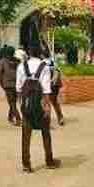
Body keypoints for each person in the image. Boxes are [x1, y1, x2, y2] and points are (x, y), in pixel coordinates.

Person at [16, 44, 60, 173]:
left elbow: (18, 88)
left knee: (26, 135)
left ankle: (26, 164)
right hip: (41, 103)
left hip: (27, 104)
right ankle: (49, 161)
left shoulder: (21, 66)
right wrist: (47, 107)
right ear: (40, 54)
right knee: (46, 133)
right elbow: (46, 90)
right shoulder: (44, 67)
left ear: (28, 53)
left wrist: (22, 103)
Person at [0, 46, 21, 126]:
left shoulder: (3, 61)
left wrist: (1, 83)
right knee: (13, 102)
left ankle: (18, 118)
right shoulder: (17, 61)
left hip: (8, 84)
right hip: (17, 84)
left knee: (11, 103)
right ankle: (10, 117)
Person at [45, 50, 65, 126]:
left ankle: (47, 120)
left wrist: (50, 81)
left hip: (50, 84)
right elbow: (58, 72)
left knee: (46, 102)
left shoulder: (44, 62)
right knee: (54, 102)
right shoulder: (53, 61)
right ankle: (60, 118)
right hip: (55, 84)